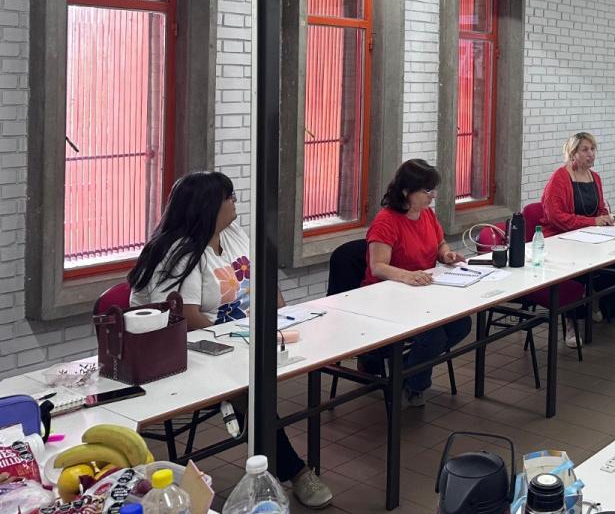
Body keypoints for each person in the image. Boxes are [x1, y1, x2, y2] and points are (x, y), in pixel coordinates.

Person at [128, 171, 333, 509]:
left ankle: (274, 453)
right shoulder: (179, 254)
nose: (235, 202)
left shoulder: (232, 234)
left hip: (237, 341)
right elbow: (187, 319)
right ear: (209, 206)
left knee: (274, 372)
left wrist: (278, 315)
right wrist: (239, 338)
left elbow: (260, 277)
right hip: (188, 354)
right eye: (230, 197)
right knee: (253, 392)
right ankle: (296, 473)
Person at [363, 159, 471, 407]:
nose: (432, 197)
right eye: (426, 191)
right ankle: (413, 384)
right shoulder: (386, 221)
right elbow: (377, 267)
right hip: (388, 295)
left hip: (423, 291)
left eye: (433, 190)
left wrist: (446, 254)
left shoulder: (427, 215)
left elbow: (440, 243)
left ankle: (405, 371)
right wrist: (406, 275)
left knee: (461, 325)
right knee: (432, 338)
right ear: (405, 191)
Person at [541, 132, 615, 343]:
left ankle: (595, 299)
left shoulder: (595, 177)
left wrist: (607, 218)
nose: (591, 154)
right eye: (585, 150)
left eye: (593, 149)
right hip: (561, 240)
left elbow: (598, 209)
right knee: (577, 272)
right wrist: (593, 222)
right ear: (573, 154)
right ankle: (571, 322)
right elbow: (556, 217)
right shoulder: (560, 178)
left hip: (589, 238)